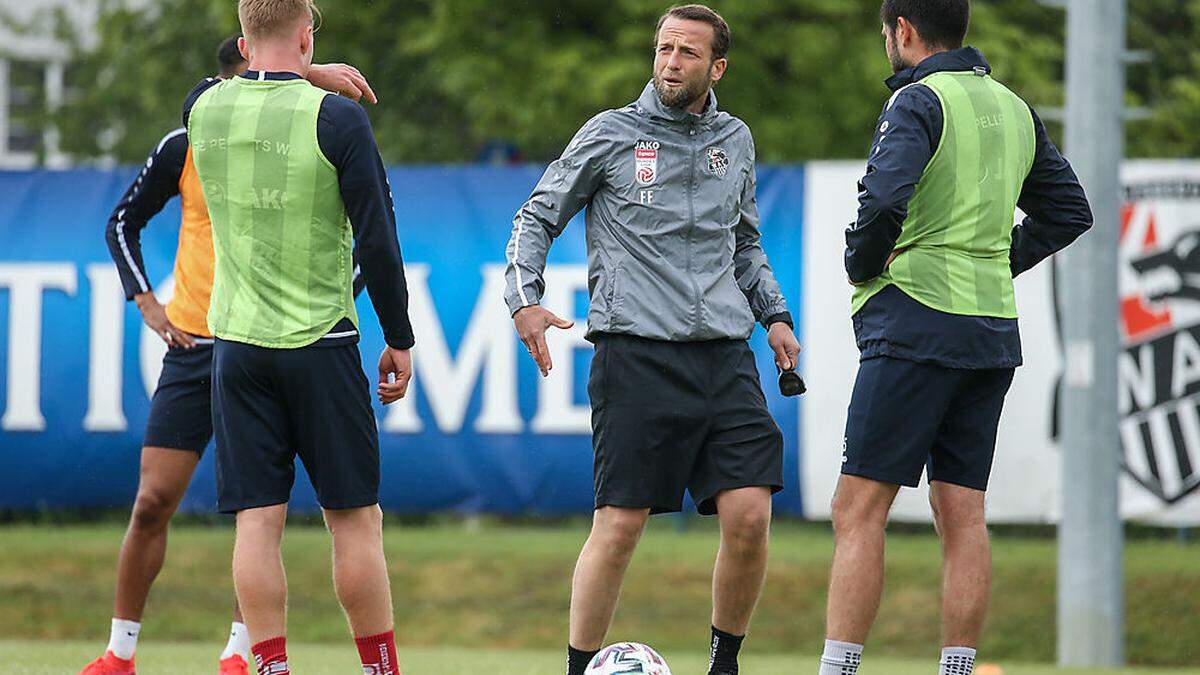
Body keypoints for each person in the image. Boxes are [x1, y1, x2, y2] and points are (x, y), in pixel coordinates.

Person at [504, 6, 801, 675]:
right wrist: (525, 301)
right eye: (663, 48)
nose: (670, 62)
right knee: (620, 526)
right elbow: (536, 216)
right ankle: (580, 668)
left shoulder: (737, 139)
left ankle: (723, 664)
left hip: (725, 356)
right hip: (636, 354)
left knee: (752, 514)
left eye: (688, 53)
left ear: (716, 67)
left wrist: (775, 316)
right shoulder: (610, 134)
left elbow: (746, 244)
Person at [86, 35, 375, 675]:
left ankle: (243, 652)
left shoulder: (313, 135)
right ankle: (120, 651)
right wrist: (147, 302)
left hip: (271, 340)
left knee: (259, 509)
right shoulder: (190, 139)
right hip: (196, 341)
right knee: (153, 501)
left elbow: (369, 233)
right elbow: (122, 222)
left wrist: (327, 306)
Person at [819, 2, 1093, 674]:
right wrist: (1002, 262)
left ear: (903, 31)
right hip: (991, 333)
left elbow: (884, 202)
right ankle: (957, 671)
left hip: (915, 321)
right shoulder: (1013, 106)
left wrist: (861, 262)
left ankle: (839, 669)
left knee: (858, 506)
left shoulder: (917, 101)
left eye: (887, 34)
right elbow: (1070, 211)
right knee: (962, 512)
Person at [183, 1, 414, 673]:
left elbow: (230, 85)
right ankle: (380, 668)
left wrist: (300, 70)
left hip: (237, 346)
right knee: (354, 520)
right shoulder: (337, 117)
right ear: (307, 35)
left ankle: (272, 667)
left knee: (258, 521)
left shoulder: (206, 110)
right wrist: (398, 335)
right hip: (321, 340)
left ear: (244, 33)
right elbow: (378, 236)